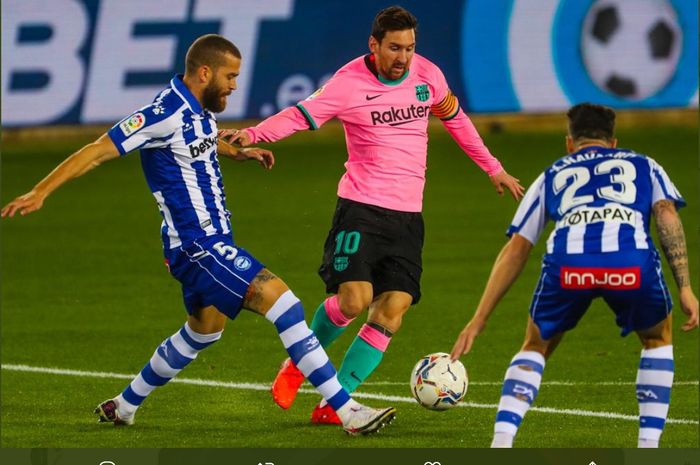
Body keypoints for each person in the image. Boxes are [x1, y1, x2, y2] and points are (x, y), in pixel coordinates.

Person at [1, 34, 396, 436]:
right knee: (287, 306)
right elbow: (98, 149)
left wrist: (236, 151)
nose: (234, 85)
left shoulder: (199, 109)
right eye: (230, 76)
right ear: (204, 72)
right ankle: (348, 411)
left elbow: (197, 142)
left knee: (203, 331)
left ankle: (124, 404)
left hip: (203, 244)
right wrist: (40, 191)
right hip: (199, 246)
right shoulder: (162, 112)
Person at [219, 5, 524, 425]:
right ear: (374, 45)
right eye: (395, 48)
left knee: (392, 310)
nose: (403, 57)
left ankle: (335, 402)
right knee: (353, 301)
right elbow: (299, 115)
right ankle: (297, 366)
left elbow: (457, 121)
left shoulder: (428, 76)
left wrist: (493, 168)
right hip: (361, 209)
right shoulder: (347, 83)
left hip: (408, 217)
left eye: (410, 48)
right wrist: (252, 134)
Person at [449, 102, 699, 448]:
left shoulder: (552, 174)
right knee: (657, 337)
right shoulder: (645, 165)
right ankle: (648, 446)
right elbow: (666, 214)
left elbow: (518, 248)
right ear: (613, 143)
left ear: (569, 143)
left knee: (536, 345)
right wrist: (685, 288)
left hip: (569, 265)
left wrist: (479, 319)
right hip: (629, 264)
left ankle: (502, 442)